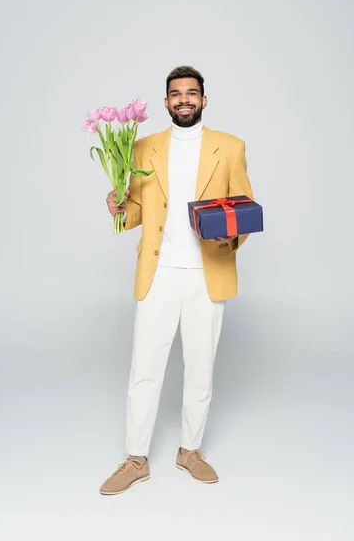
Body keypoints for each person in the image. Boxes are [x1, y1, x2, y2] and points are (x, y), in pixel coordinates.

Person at [99, 65, 254, 495]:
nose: (183, 99)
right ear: (166, 102)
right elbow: (136, 213)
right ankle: (135, 458)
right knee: (144, 368)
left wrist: (232, 234)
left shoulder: (231, 147)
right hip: (158, 272)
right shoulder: (143, 147)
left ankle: (190, 451)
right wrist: (117, 207)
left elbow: (245, 208)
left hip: (209, 272)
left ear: (204, 100)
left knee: (201, 368)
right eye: (175, 93)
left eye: (191, 93)